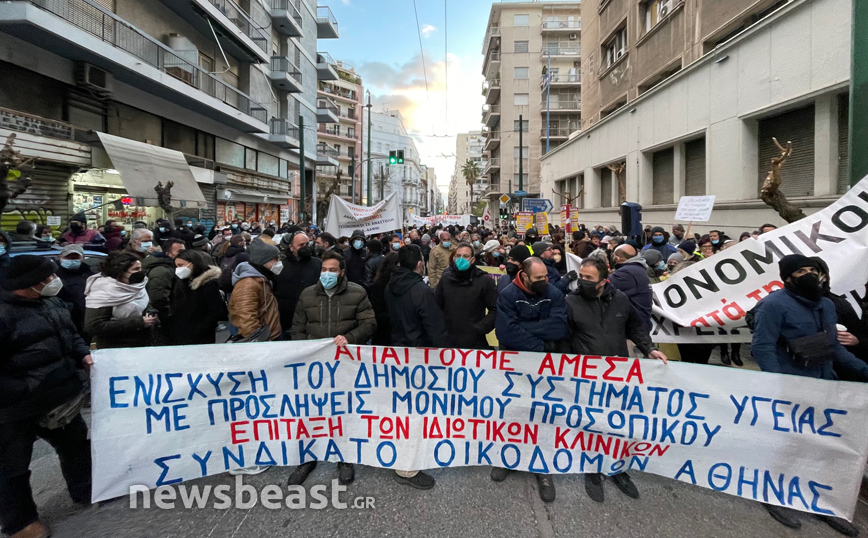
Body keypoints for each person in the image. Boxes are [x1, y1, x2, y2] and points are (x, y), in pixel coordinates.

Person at [751, 254, 868, 534]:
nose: (808, 274)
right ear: (788, 277)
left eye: (812, 269)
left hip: (825, 384)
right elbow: (762, 347)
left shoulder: (826, 305)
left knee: (823, 445)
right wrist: (777, 385)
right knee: (788, 443)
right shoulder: (773, 304)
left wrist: (864, 369)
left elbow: (835, 348)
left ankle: (820, 501)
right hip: (792, 385)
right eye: (801, 271)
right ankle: (773, 495)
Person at [0, 256, 93, 538]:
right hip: (14, 408)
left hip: (59, 396)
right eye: (48, 278)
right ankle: (20, 522)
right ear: (27, 285)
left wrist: (82, 353)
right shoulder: (3, 315)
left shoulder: (50, 301)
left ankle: (86, 489)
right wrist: (26, 389)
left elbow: (71, 333)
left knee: (76, 445)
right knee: (11, 466)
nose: (55, 281)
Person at [565, 257, 668, 503]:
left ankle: (618, 468)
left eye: (589, 278)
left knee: (616, 422)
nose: (583, 282)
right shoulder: (570, 302)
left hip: (618, 373)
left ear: (604, 280)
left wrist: (649, 348)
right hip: (586, 375)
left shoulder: (621, 299)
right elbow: (563, 337)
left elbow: (635, 327)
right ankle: (592, 469)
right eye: (582, 276)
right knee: (590, 423)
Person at [287, 250, 376, 487]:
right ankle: (307, 457)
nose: (327, 273)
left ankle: (344, 457)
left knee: (342, 409)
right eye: (324, 269)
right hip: (314, 365)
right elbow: (297, 327)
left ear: (342, 272)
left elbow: (369, 323)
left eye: (332, 270)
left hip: (344, 363)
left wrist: (350, 338)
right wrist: (306, 348)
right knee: (310, 410)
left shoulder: (357, 293)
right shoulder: (307, 295)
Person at [493, 257, 567, 502]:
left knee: (542, 415)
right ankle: (509, 458)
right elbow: (505, 331)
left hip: (543, 366)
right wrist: (541, 344)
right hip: (516, 364)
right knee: (513, 411)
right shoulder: (507, 294)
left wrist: (524, 328)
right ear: (524, 276)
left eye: (545, 276)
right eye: (538, 278)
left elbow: (558, 327)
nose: (544, 281)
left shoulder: (553, 293)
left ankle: (542, 467)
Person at [383, 244, 440, 490]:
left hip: (398, 353)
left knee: (404, 408)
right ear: (420, 263)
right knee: (416, 411)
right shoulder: (420, 291)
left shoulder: (389, 286)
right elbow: (434, 328)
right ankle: (407, 467)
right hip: (419, 357)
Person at [84, 252, 157, 349]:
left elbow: (143, 304)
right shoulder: (104, 292)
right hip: (115, 347)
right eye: (135, 269)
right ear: (121, 272)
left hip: (142, 343)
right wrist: (139, 322)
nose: (140, 272)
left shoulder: (138, 285)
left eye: (140, 268)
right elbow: (94, 326)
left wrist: (151, 313)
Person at [435, 242, 497, 349]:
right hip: (448, 340)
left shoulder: (484, 280)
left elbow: (495, 310)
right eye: (458, 256)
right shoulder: (445, 279)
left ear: (472, 260)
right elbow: (436, 306)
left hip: (475, 342)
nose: (461, 259)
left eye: (465, 256)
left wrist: (479, 329)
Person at [228, 238, 283, 341]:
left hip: (269, 335)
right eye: (276, 259)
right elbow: (246, 318)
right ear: (263, 260)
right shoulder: (248, 284)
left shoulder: (262, 279)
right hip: (263, 340)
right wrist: (258, 340)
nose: (278, 262)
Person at [167, 250, 227, 345]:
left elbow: (216, 311)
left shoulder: (208, 284)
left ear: (192, 263)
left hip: (200, 336)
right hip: (181, 332)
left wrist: (199, 328)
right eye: (177, 266)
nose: (178, 269)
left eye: (181, 265)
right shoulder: (182, 281)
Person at [274, 230, 322, 335]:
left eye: (307, 244)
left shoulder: (318, 264)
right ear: (291, 248)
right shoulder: (281, 266)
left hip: (312, 318)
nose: (306, 247)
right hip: (286, 318)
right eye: (301, 245)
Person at [142, 238, 186, 339]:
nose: (183, 254)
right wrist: (170, 314)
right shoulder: (162, 271)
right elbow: (158, 297)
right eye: (179, 251)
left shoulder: (171, 266)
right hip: (165, 319)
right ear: (168, 253)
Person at [608, 244, 653, 332]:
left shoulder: (626, 273)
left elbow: (603, 287)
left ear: (617, 258)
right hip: (639, 323)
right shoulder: (638, 268)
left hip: (632, 327)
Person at [56, 244, 97, 338]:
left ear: (83, 258)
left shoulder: (90, 274)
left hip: (85, 320)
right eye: (68, 257)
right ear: (60, 257)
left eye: (75, 257)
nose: (71, 260)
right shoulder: (53, 276)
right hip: (66, 320)